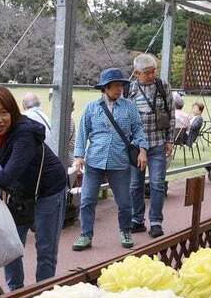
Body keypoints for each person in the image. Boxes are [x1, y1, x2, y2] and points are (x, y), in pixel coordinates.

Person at [0, 85, 68, 292]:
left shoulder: (24, 133)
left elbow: (6, 177)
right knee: (10, 245)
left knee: (45, 249)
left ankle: (43, 295)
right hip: (18, 192)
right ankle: (15, 293)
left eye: (3, 112)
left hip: (49, 190)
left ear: (13, 112)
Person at [73, 67, 148, 251]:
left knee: (124, 201)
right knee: (87, 200)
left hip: (119, 161)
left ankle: (125, 231)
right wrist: (79, 156)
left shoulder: (129, 107)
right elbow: (83, 132)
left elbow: (138, 129)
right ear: (105, 88)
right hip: (94, 161)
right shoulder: (92, 107)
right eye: (115, 86)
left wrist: (143, 150)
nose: (119, 89)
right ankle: (85, 235)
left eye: (121, 86)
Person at [126, 53, 174, 238]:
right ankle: (137, 220)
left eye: (154, 71)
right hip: (137, 146)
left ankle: (155, 221)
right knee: (134, 185)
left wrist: (170, 139)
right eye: (147, 72)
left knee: (157, 184)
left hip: (158, 143)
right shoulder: (130, 89)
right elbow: (128, 119)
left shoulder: (163, 86)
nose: (152, 75)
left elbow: (171, 114)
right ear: (137, 73)